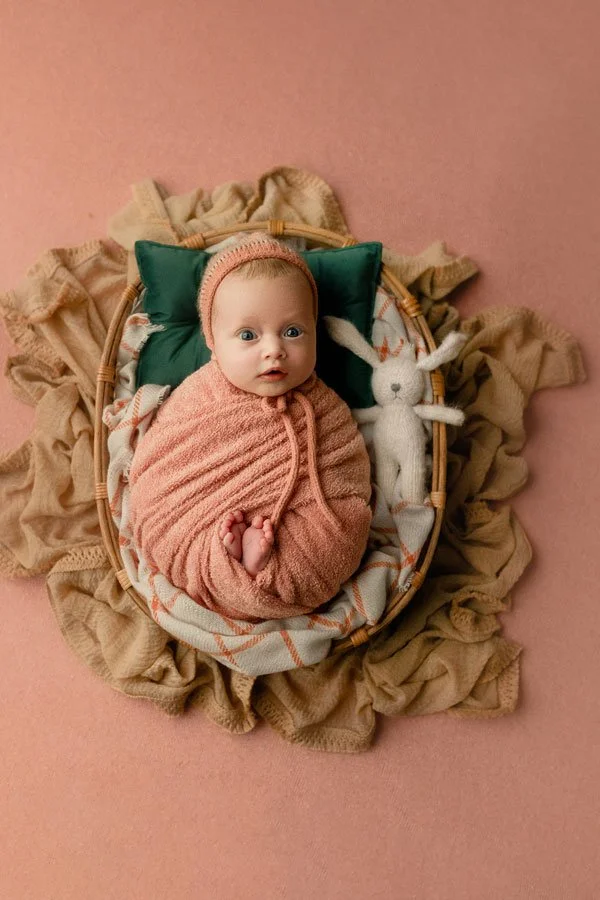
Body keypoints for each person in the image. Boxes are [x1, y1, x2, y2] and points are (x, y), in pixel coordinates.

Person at [128, 233, 372, 621]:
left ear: (315, 331)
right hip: (200, 520)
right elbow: (162, 466)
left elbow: (347, 477)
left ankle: (258, 565)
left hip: (297, 542)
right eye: (248, 335)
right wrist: (202, 528)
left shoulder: (323, 408)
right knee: (161, 522)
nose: (273, 349)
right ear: (213, 341)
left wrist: (302, 534)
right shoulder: (197, 395)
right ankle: (223, 559)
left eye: (293, 332)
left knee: (342, 532)